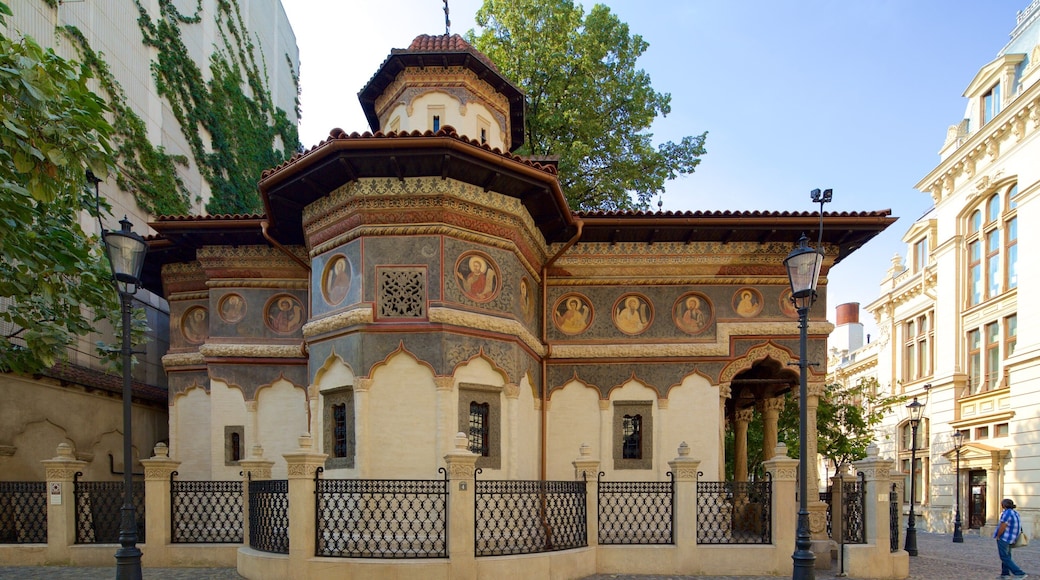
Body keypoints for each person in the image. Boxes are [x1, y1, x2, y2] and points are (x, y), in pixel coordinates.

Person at [994, 498, 1028, 578]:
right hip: (1012, 537)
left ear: (1004, 505)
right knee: (1007, 556)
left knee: (1004, 556)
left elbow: (1003, 526)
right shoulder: (1015, 513)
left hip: (1005, 537)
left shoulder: (1006, 513)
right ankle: (1005, 574)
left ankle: (1019, 573)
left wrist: (998, 536)